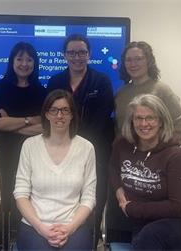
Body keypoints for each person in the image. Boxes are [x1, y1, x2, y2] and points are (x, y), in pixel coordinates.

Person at [109, 94, 181, 250]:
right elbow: (113, 167)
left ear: (161, 121)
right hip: (144, 224)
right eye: (138, 118)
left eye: (150, 118)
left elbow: (178, 206)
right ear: (131, 121)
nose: (144, 124)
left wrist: (132, 208)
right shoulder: (122, 143)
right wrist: (119, 191)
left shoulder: (175, 156)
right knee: (144, 237)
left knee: (148, 236)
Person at [47, 34, 114, 246]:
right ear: (64, 55)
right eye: (72, 52)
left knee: (92, 200)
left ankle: (89, 242)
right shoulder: (55, 81)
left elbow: (102, 118)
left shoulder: (101, 81)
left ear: (89, 54)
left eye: (82, 52)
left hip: (95, 151)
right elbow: (51, 114)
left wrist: (76, 143)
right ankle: (58, 235)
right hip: (58, 150)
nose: (77, 57)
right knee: (63, 195)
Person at [14, 89, 96, 250]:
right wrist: (41, 228)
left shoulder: (86, 148)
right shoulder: (30, 146)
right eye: (54, 110)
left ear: (72, 114)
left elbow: (89, 197)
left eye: (65, 110)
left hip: (74, 226)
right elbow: (21, 194)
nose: (60, 116)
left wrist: (69, 228)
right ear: (46, 114)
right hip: (35, 225)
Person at [0, 42, 46, 249]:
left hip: (32, 155)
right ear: (12, 61)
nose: (24, 63)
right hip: (2, 154)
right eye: (19, 59)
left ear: (35, 63)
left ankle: (25, 241)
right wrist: (31, 120)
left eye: (29, 59)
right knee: (2, 199)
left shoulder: (42, 91)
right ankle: (1, 242)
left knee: (26, 199)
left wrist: (12, 122)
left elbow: (44, 128)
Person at [115, 41, 181, 144]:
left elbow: (178, 128)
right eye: (128, 60)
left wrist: (165, 154)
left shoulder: (163, 90)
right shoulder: (121, 94)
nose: (133, 64)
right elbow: (119, 129)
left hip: (157, 156)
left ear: (148, 61)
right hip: (128, 156)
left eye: (138, 59)